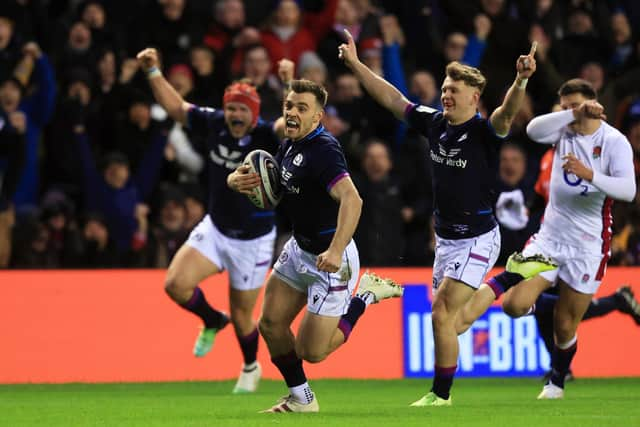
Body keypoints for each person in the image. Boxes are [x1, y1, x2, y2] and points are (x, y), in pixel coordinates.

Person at [339, 29, 537, 406]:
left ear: (473, 97)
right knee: (454, 323)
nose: (446, 94)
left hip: (478, 237)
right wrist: (356, 64)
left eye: (454, 91)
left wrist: (521, 79)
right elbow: (392, 99)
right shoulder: (434, 123)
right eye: (445, 88)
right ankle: (509, 275)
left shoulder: (484, 132)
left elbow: (507, 112)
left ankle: (440, 396)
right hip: (446, 241)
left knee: (441, 312)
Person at [227, 79, 403, 413]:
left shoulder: (323, 150)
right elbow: (271, 185)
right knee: (270, 324)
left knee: (313, 351)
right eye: (289, 106)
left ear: (317, 117)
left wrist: (336, 250)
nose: (292, 112)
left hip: (332, 259)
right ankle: (301, 398)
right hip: (300, 249)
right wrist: (235, 180)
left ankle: (365, 295)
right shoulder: (291, 144)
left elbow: (352, 199)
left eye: (301, 108)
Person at [455, 79, 636, 400]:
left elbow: (628, 190)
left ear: (595, 104)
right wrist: (572, 114)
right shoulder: (562, 131)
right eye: (564, 107)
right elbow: (533, 130)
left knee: (565, 326)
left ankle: (557, 381)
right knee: (513, 305)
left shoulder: (613, 141)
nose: (569, 112)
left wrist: (589, 173)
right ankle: (578, 308)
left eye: (576, 105)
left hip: (589, 245)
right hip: (549, 239)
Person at [136, 47, 283, 394]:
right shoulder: (214, 123)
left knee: (244, 315)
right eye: (230, 107)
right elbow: (175, 108)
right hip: (216, 228)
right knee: (175, 284)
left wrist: (291, 85)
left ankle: (250, 367)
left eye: (241, 109)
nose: (233, 114)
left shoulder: (267, 135)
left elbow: (284, 125)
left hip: (254, 238)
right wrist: (153, 71)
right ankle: (212, 319)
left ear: (254, 114)